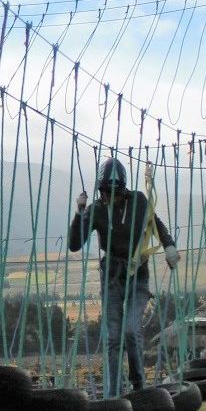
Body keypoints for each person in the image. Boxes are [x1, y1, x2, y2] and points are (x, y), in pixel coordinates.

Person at [67, 158, 179, 398]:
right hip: (112, 277)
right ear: (101, 191)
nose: (110, 198)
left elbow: (156, 223)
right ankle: (114, 395)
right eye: (106, 192)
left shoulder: (138, 201)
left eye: (115, 193)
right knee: (114, 337)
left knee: (130, 329)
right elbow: (74, 244)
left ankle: (138, 384)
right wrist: (80, 213)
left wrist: (168, 245)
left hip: (138, 275)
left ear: (123, 191)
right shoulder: (97, 210)